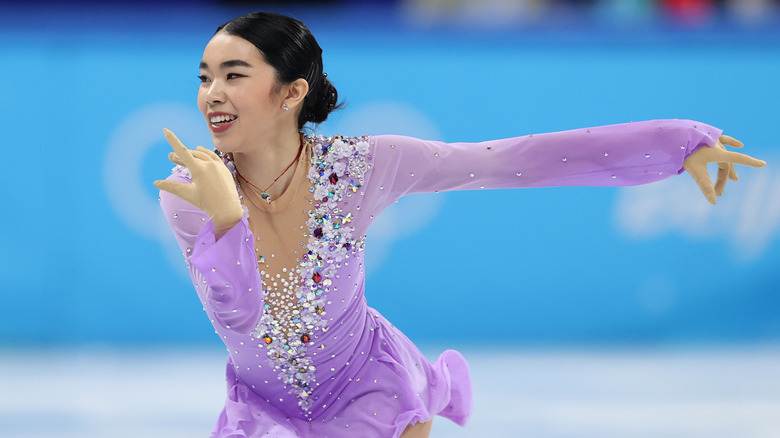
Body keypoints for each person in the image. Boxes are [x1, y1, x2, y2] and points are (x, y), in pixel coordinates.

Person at [154, 11, 766, 438]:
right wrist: (228, 219)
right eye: (205, 77)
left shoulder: (361, 166)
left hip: (374, 392)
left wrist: (679, 143)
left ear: (291, 93)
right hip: (265, 414)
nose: (212, 94)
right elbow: (241, 317)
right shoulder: (191, 195)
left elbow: (511, 161)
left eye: (234, 75)